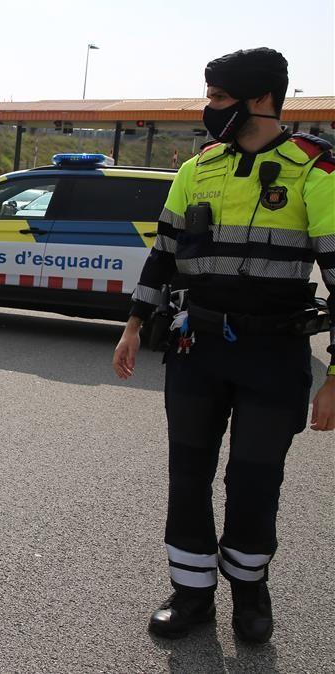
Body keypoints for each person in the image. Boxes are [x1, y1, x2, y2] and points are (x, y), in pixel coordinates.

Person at [112, 48, 334, 644]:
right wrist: (135, 323)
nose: (207, 109)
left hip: (274, 356)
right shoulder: (198, 168)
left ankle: (249, 592)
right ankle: (190, 595)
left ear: (260, 99)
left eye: (216, 98)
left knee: (255, 480)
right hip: (197, 349)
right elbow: (162, 255)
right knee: (188, 475)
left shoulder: (317, 171)